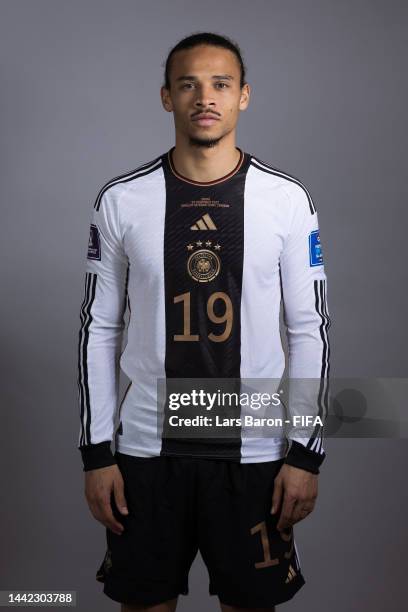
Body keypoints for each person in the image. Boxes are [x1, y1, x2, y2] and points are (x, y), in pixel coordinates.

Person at [77, 32, 331, 612]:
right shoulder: (122, 199)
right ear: (167, 97)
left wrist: (304, 453)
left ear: (244, 96)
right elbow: (100, 328)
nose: (205, 97)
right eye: (189, 84)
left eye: (221, 84)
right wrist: (97, 454)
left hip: (256, 453)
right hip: (145, 452)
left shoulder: (287, 200)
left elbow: (308, 329)